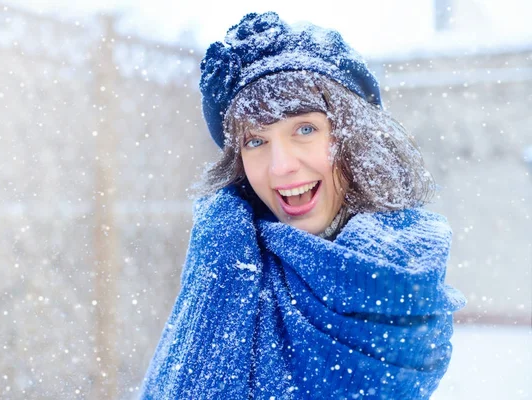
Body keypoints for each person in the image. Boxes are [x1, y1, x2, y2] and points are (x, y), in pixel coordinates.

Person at [139, 11, 466, 399]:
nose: (280, 166)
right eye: (255, 141)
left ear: (353, 136)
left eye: (305, 129)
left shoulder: (405, 271)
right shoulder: (226, 260)